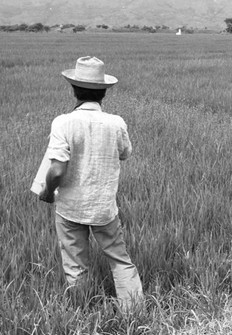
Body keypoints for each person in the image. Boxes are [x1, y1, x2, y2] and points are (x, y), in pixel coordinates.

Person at [37, 56, 143, 312]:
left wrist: (48, 191)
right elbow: (125, 153)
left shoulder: (63, 122)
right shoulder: (116, 123)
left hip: (70, 208)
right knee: (119, 259)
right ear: (104, 92)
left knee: (75, 265)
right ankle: (134, 313)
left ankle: (82, 314)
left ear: (73, 89)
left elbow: (57, 169)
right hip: (104, 207)